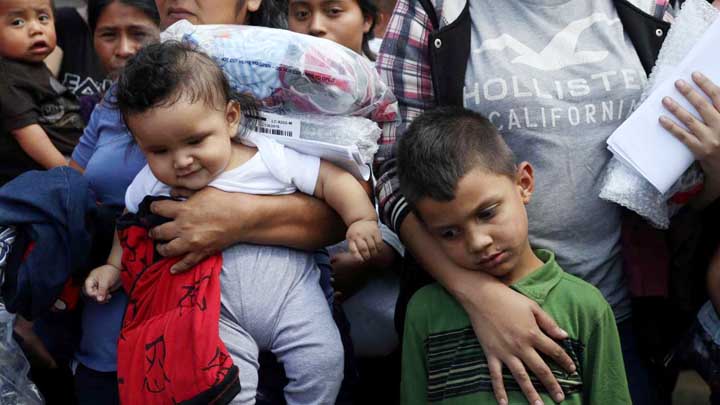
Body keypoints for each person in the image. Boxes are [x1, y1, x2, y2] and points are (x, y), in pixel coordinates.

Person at [375, 0, 720, 404]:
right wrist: (477, 295)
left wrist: (714, 166)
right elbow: (395, 174)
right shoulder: (437, 9)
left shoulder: (654, 5)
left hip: (622, 316)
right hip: (471, 320)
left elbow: (688, 196)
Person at [85, 41, 380, 403]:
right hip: (213, 310)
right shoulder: (151, 181)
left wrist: (360, 218)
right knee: (226, 386)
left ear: (230, 118)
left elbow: (330, 180)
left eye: (195, 140)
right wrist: (114, 267)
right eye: (160, 150)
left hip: (292, 296)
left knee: (323, 360)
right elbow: (128, 224)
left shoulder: (268, 157)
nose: (181, 161)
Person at [397, 107, 630, 404]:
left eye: (487, 213)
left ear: (524, 184)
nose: (478, 242)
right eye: (449, 233)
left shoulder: (585, 307)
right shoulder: (424, 311)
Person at [67, 2, 160, 403]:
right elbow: (73, 181)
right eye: (109, 35)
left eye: (138, 34)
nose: (123, 49)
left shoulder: (192, 100)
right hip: (103, 299)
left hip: (167, 308)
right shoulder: (109, 104)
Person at [0, 0, 84, 186]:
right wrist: (68, 172)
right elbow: (28, 133)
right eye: (17, 22)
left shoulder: (33, 67)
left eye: (43, 18)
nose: (36, 29)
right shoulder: (6, 76)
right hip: (49, 172)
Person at [287, 0, 379, 59]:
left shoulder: (387, 82)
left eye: (334, 11)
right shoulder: (274, 80)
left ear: (366, 20)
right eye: (302, 13)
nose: (315, 27)